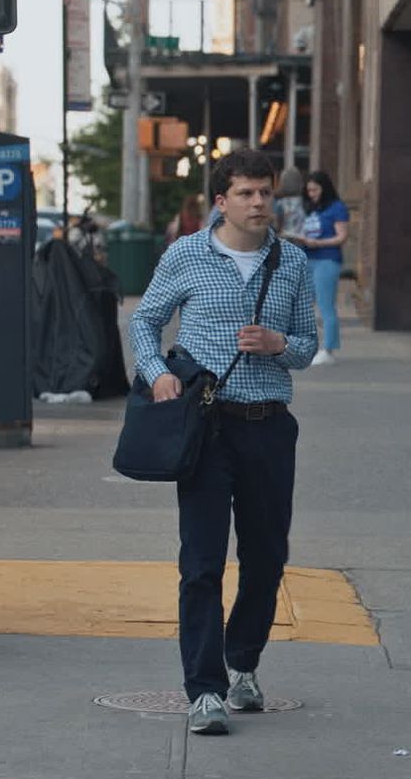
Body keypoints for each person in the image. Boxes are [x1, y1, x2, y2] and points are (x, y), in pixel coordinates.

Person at [129, 149, 318, 736]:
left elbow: (307, 346)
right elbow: (145, 320)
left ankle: (243, 665)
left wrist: (278, 344)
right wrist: (156, 373)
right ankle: (204, 690)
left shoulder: (292, 261)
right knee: (202, 563)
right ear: (221, 201)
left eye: (266, 193)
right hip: (206, 427)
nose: (259, 203)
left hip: (269, 426)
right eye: (246, 193)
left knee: (266, 559)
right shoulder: (186, 254)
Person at [295, 170, 349, 366]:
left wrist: (319, 243)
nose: (312, 194)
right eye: (309, 190)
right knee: (304, 304)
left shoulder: (336, 207)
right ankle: (310, 346)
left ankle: (328, 349)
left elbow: (342, 236)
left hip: (327, 259)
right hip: (308, 257)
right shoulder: (310, 208)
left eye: (315, 190)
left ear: (324, 188)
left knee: (326, 305)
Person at [273, 167, 305, 240]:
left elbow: (276, 226)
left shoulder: (279, 204)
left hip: (284, 238)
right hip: (302, 239)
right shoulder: (306, 202)